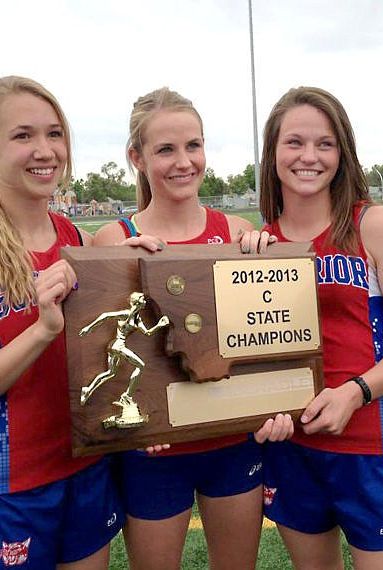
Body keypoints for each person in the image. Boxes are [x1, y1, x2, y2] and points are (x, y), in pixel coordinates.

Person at [0, 76, 122, 569]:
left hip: (85, 466)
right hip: (5, 487)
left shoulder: (73, 234)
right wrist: (41, 331)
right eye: (23, 135)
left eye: (54, 134)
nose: (45, 150)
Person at [92, 87, 292, 570]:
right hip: (155, 453)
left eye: (193, 146)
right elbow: (102, 357)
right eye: (165, 149)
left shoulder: (237, 231)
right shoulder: (114, 239)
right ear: (136, 157)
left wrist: (277, 402)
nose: (183, 161)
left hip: (231, 442)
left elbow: (263, 338)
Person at [257, 87, 383, 569]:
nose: (309, 157)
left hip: (372, 446)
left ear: (343, 153)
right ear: (273, 151)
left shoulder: (374, 224)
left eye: (325, 143)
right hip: (291, 445)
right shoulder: (257, 243)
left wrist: (354, 392)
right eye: (294, 142)